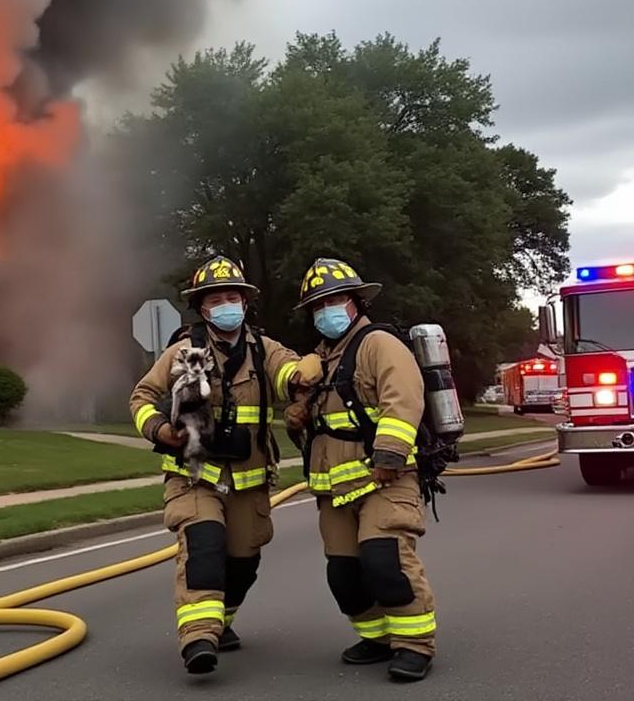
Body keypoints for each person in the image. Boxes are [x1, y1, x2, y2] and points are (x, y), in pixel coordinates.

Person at [129, 255, 304, 675]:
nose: (227, 305)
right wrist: (158, 430)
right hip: (195, 477)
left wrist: (302, 383)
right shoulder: (182, 352)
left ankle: (220, 622)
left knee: (244, 560)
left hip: (250, 480)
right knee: (204, 549)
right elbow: (141, 398)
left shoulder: (265, 351)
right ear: (202, 308)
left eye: (233, 297)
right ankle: (198, 639)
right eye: (216, 299)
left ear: (245, 303)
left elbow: (289, 373)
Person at [293, 257, 437, 683]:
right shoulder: (322, 359)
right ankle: (377, 637)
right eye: (319, 305)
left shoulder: (380, 345)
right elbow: (325, 422)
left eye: (335, 300)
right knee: (344, 574)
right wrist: (298, 415)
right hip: (335, 488)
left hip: (383, 480)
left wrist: (390, 457)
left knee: (385, 561)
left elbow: (403, 401)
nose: (327, 311)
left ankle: (414, 644)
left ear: (355, 302)